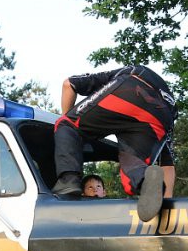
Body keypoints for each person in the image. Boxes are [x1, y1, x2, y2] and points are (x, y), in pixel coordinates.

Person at [53, 66, 176, 222]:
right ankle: (144, 180)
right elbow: (167, 163)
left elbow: (68, 84)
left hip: (133, 86)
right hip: (165, 113)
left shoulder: (111, 75)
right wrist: (166, 202)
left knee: (66, 125)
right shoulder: (164, 100)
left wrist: (71, 135)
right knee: (131, 174)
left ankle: (68, 181)